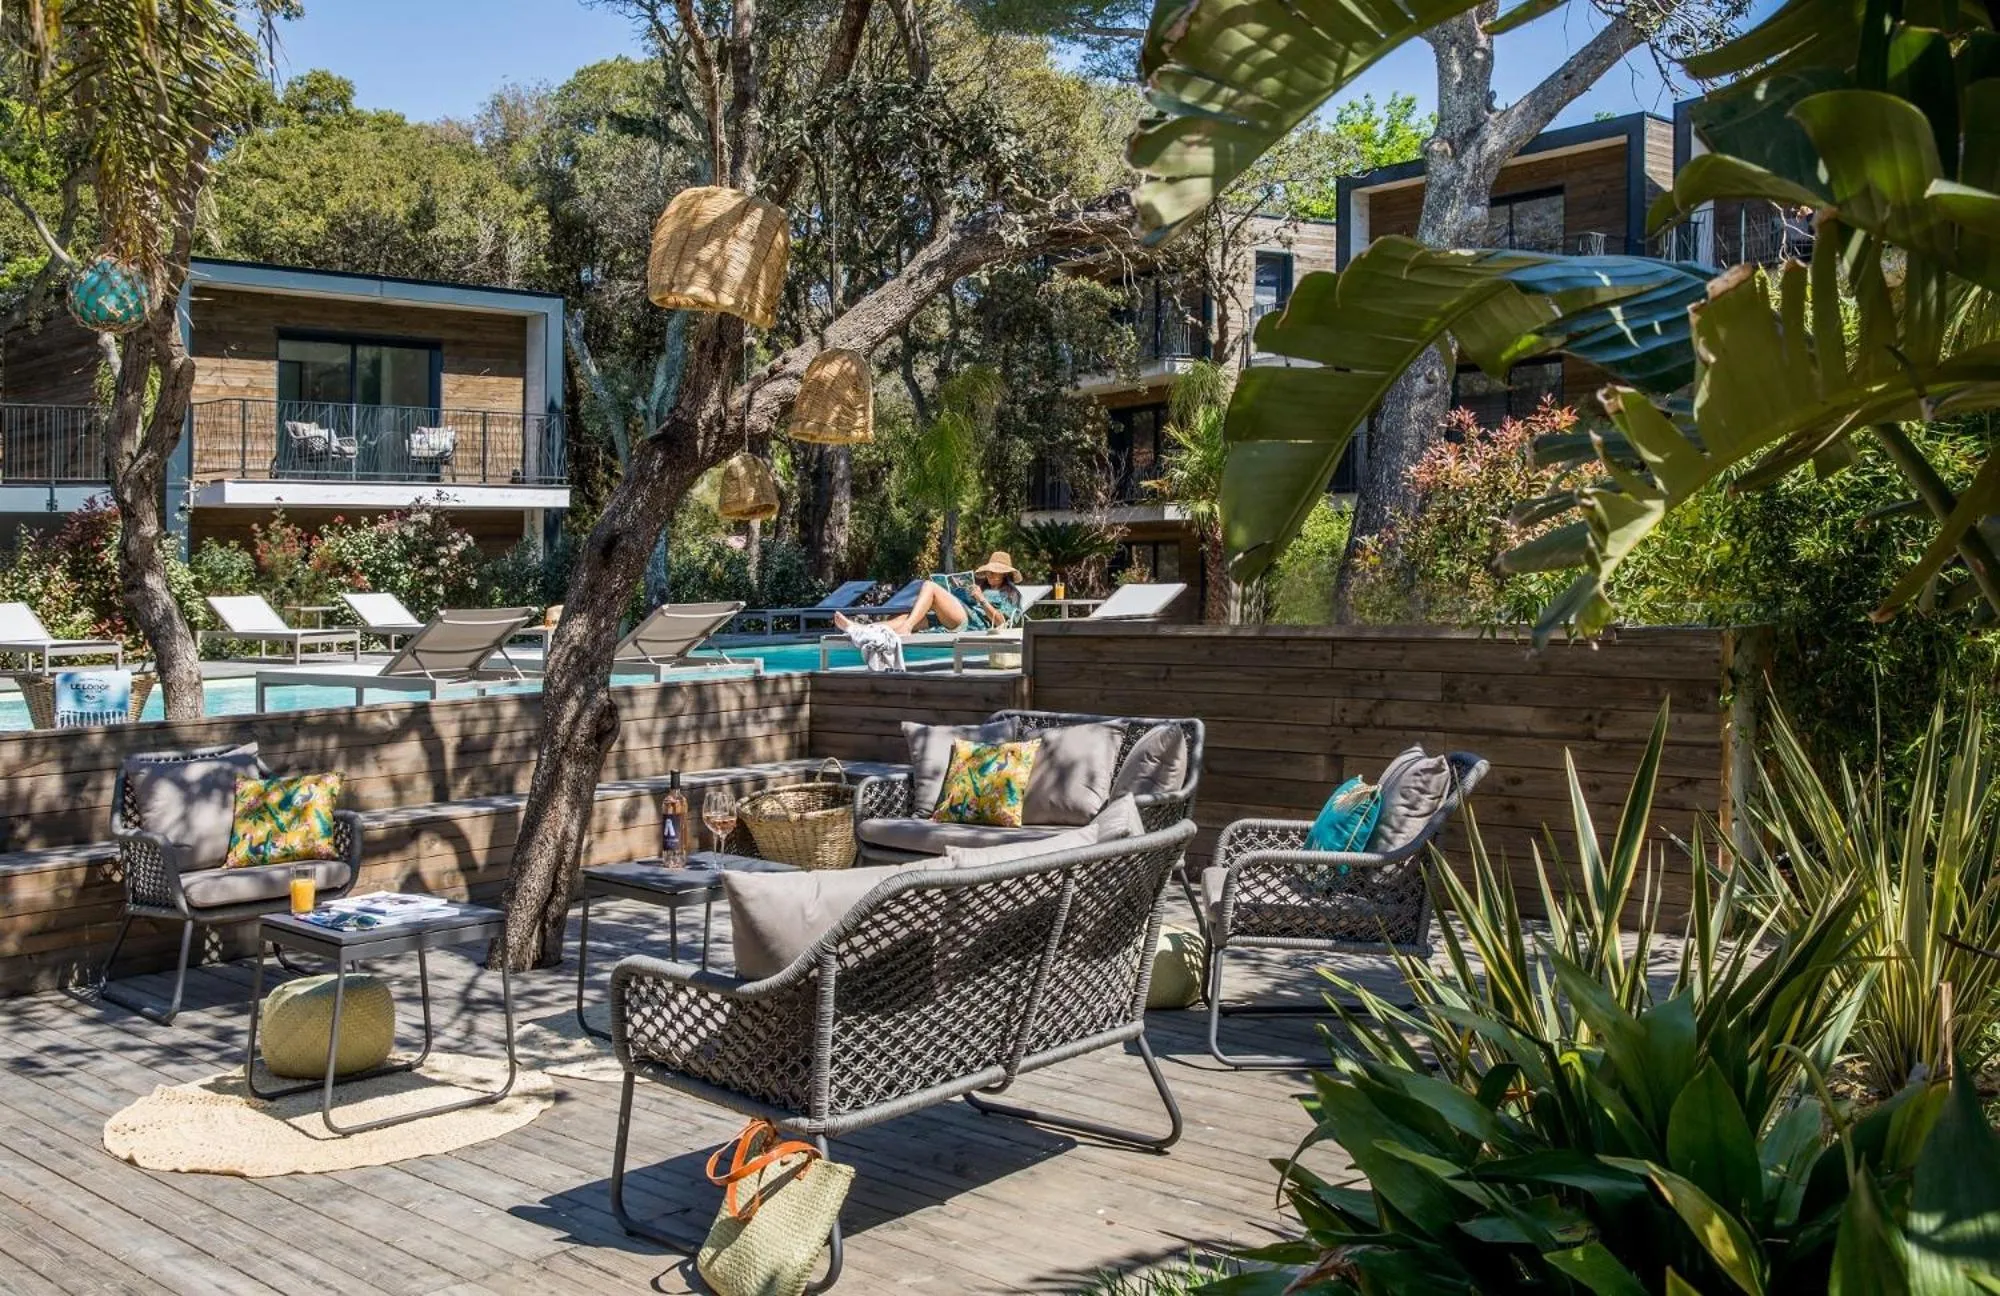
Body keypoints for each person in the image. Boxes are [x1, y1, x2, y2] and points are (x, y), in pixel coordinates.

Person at [835, 552, 1025, 636]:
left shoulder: (1010, 594)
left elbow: (1002, 622)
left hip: (973, 623)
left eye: (996, 572)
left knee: (929, 586)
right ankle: (859, 629)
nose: (991, 575)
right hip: (957, 613)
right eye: (989, 571)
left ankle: (907, 628)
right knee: (904, 617)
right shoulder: (980, 587)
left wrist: (982, 600)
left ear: (1005, 574)